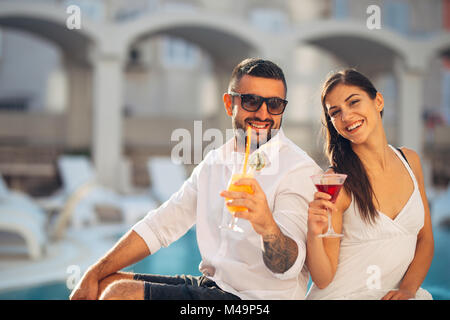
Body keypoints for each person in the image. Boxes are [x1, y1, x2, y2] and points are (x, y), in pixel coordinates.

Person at [70, 58, 322, 300]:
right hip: (214, 287)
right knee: (104, 283)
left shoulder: (297, 170)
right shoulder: (215, 162)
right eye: (252, 101)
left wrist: (267, 226)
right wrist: (94, 270)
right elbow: (160, 225)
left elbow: (288, 267)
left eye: (275, 104)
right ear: (229, 103)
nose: (263, 113)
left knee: (119, 295)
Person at [305, 69, 434, 300]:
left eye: (353, 102)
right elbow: (323, 278)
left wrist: (407, 289)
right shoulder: (337, 181)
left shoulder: (410, 161)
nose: (346, 116)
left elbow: (425, 239)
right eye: (335, 112)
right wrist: (314, 234)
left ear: (379, 101)